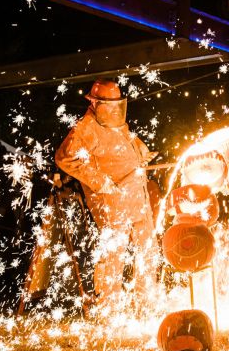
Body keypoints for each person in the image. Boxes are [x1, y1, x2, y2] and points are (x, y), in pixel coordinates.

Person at [55, 79, 158, 305]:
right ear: (94, 103)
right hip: (111, 201)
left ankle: (147, 301)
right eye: (108, 104)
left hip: (135, 195)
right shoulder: (86, 128)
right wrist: (100, 182)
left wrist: (141, 150)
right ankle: (109, 307)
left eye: (116, 104)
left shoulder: (115, 121)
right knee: (114, 254)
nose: (113, 109)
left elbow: (125, 142)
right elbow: (64, 158)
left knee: (148, 249)